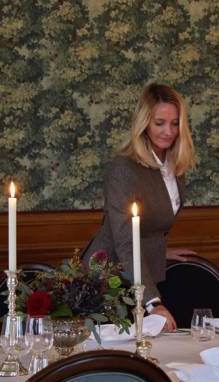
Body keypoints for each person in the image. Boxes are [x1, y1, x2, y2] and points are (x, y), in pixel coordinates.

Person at [83, 83, 196, 331]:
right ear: (144, 123)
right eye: (159, 123)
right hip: (108, 280)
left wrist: (159, 250)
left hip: (140, 271)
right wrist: (153, 303)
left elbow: (146, 227)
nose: (168, 131)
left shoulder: (174, 165)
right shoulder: (123, 169)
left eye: (175, 123)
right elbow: (125, 240)